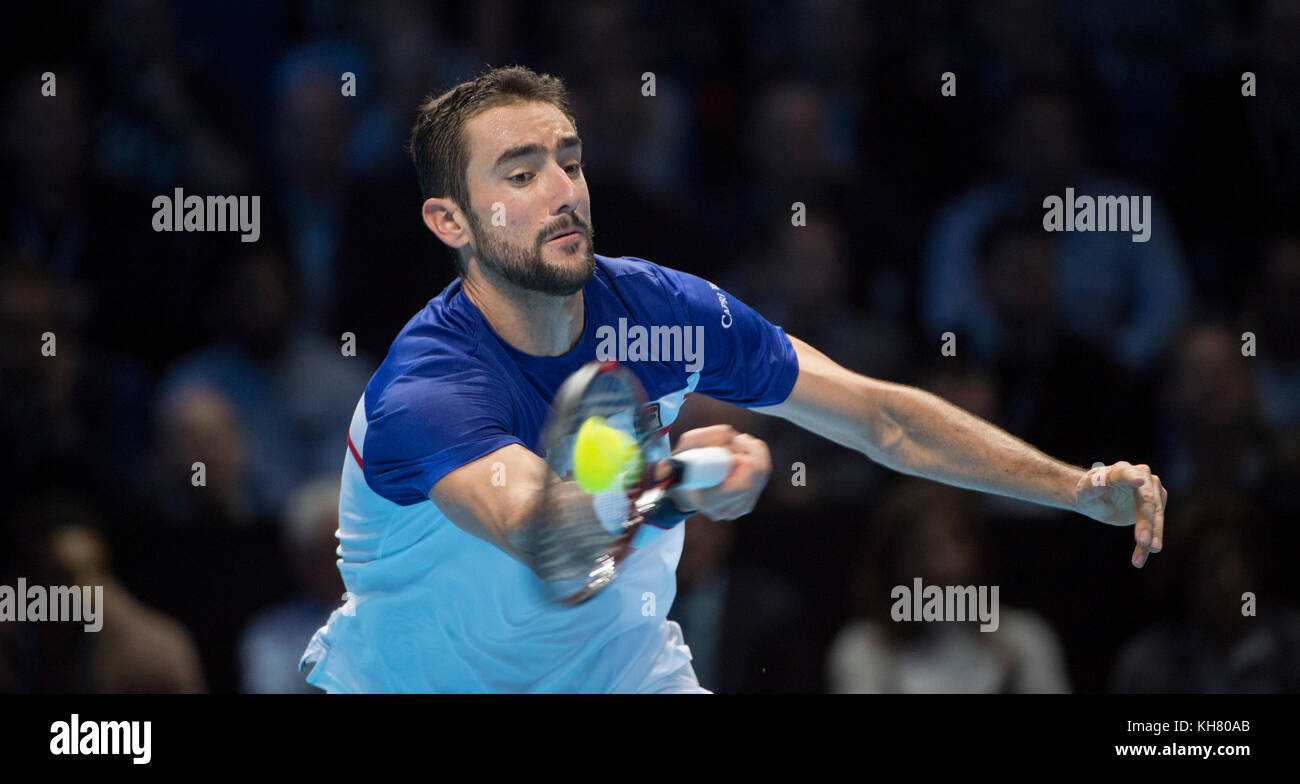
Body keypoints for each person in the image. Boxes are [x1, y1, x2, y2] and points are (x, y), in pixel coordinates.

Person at [299, 66, 1166, 694]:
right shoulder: (427, 390)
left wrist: (1076, 486)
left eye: (571, 160)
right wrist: (673, 479)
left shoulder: (661, 312)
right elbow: (547, 537)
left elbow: (879, 418)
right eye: (521, 174)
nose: (564, 191)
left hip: (625, 677)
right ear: (448, 219)